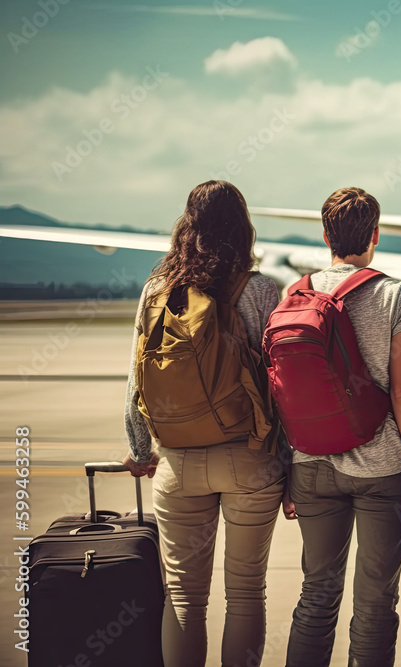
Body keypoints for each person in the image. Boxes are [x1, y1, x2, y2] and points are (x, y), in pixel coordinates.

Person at [123, 180, 286, 667]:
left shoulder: (158, 290)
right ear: (243, 228)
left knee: (184, 598)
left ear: (186, 228)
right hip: (249, 459)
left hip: (177, 461)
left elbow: (136, 379)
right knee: (245, 594)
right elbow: (279, 383)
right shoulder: (258, 290)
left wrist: (140, 450)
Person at [284, 186, 401, 667]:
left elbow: (284, 389)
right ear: (376, 236)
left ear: (325, 236)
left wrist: (289, 470)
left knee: (316, 596)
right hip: (381, 469)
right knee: (375, 604)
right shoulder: (396, 295)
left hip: (310, 465)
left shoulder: (295, 293)